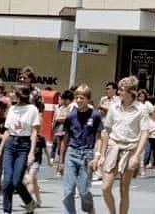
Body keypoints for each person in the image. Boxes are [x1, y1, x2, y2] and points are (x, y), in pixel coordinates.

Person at [99, 75, 148, 214]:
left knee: (124, 189)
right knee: (105, 187)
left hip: (130, 148)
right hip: (114, 146)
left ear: (131, 92)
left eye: (122, 90)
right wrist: (102, 154)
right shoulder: (114, 107)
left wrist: (136, 156)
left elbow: (144, 133)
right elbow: (107, 131)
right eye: (119, 90)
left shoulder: (141, 109)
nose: (119, 93)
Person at [0, 85, 38, 214]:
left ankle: (29, 202)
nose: (11, 94)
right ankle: (7, 211)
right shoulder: (12, 109)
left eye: (14, 92)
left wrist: (31, 153)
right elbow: (7, 131)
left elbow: (35, 132)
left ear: (19, 94)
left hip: (24, 145)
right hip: (10, 143)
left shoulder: (32, 109)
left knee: (17, 181)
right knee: (7, 182)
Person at [60, 84, 103, 214]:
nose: (79, 100)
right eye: (77, 97)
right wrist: (61, 161)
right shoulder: (71, 116)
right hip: (72, 153)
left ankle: (89, 208)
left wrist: (97, 156)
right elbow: (65, 139)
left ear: (88, 99)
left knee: (84, 190)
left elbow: (99, 137)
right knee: (68, 191)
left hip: (87, 155)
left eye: (82, 98)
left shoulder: (95, 115)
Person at [24, 97, 50, 209]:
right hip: (29, 161)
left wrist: (49, 161)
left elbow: (46, 151)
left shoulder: (41, 138)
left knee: (30, 179)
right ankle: (39, 201)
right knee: (34, 182)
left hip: (36, 161)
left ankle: (28, 201)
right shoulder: (27, 137)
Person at [52, 89, 73, 177]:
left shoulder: (72, 107)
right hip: (59, 131)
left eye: (64, 99)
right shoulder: (60, 107)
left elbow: (69, 119)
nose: (63, 101)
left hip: (67, 131)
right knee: (60, 150)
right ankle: (61, 168)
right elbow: (56, 118)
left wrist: (60, 119)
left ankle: (60, 169)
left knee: (63, 150)